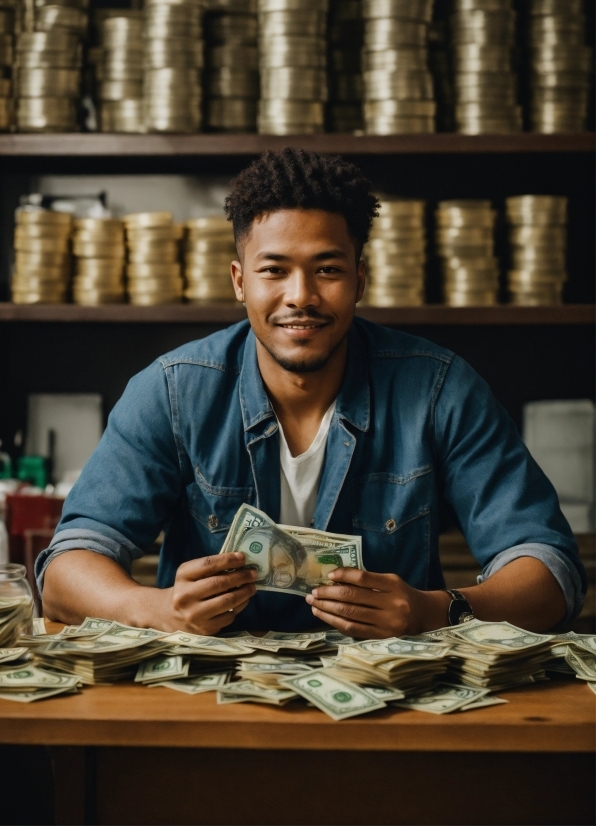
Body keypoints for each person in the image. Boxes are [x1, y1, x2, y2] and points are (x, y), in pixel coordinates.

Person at [37, 149, 585, 639]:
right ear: (239, 280)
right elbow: (66, 572)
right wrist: (158, 609)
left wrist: (436, 610)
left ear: (360, 279)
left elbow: (550, 573)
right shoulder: (171, 391)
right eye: (274, 270)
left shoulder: (441, 389)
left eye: (327, 269)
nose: (301, 297)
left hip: (396, 706)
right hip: (210, 710)